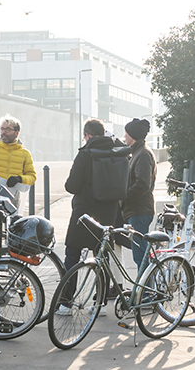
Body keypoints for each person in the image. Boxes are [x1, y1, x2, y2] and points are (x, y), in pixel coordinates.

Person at [61, 118, 122, 274]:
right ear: (103, 133)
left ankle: (66, 297)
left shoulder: (85, 154)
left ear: (86, 134)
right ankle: (101, 295)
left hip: (84, 214)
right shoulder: (116, 153)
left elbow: (71, 186)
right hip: (108, 213)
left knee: (72, 255)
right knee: (102, 256)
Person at [122, 117, 156, 279]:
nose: (124, 137)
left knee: (141, 256)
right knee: (140, 255)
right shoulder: (137, 152)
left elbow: (143, 184)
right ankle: (146, 294)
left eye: (126, 133)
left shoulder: (142, 154)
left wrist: (124, 197)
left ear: (133, 135)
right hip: (136, 211)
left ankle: (147, 296)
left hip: (139, 211)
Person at [0, 115, 36, 213]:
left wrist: (19, 179)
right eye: (2, 129)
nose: (3, 132)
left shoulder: (25, 154)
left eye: (8, 129)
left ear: (16, 133)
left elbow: (32, 177)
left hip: (13, 200)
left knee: (12, 227)